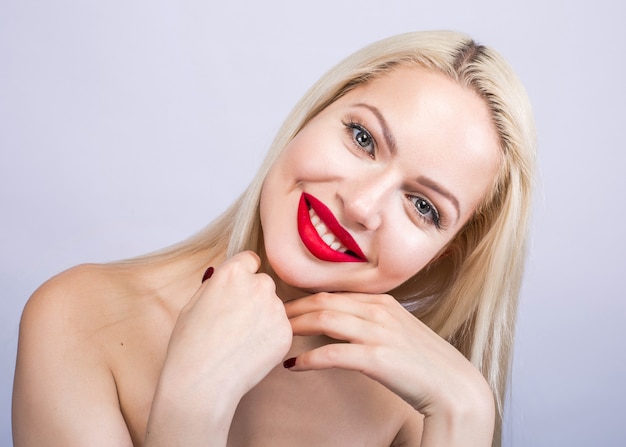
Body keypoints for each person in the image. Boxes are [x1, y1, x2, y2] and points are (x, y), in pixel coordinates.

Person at [12, 30, 535, 447]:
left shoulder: (422, 406)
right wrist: (190, 410)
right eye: (362, 138)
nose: (361, 205)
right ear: (312, 117)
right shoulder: (79, 322)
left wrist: (465, 415)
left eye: (423, 206)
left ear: (442, 253)